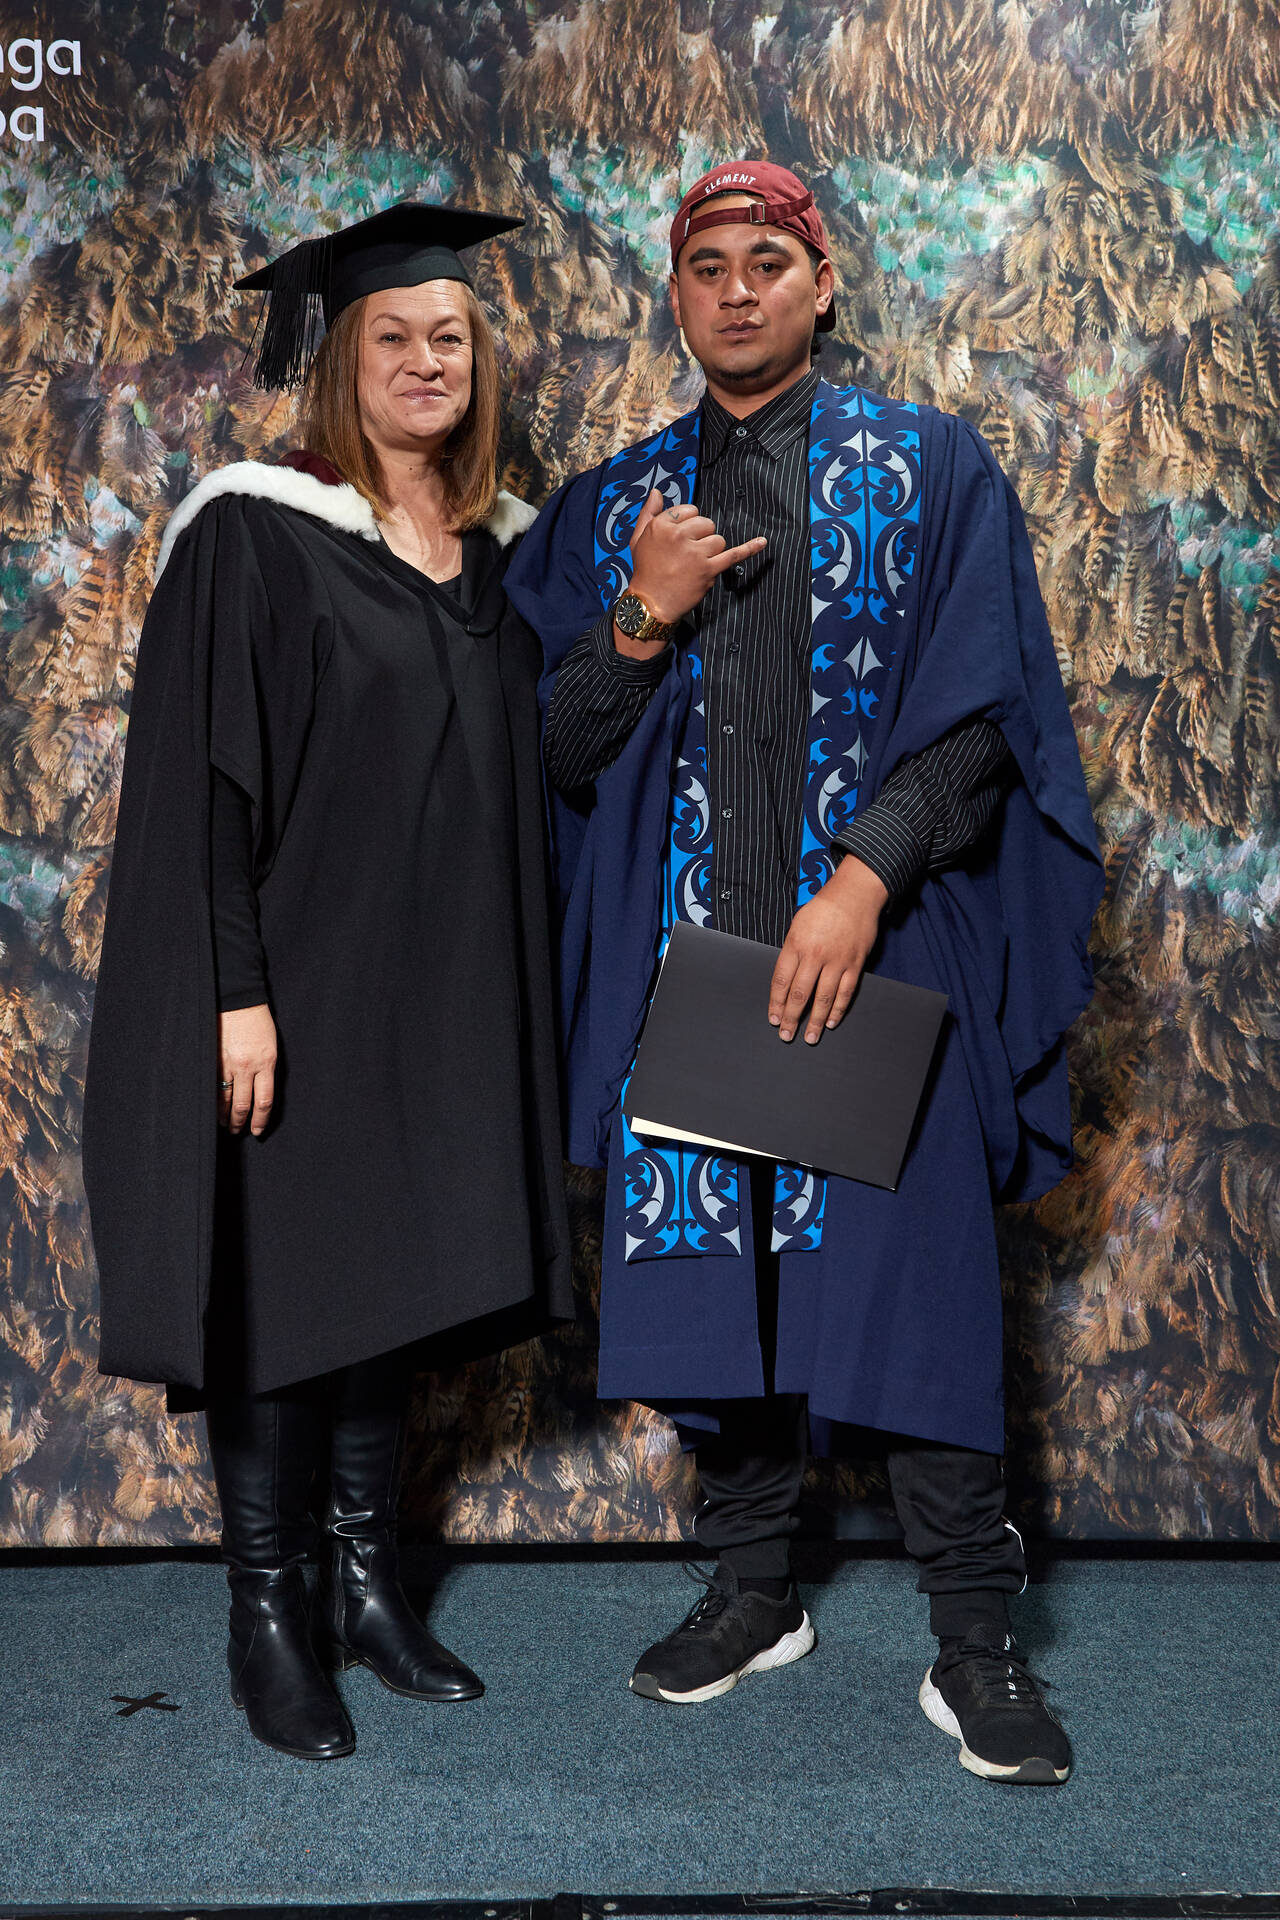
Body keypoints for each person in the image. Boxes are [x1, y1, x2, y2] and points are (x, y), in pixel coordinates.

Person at [507, 160, 1103, 1785]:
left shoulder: (928, 468)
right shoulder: (620, 507)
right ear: (675, 293)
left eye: (768, 260)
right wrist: (642, 619)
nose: (738, 289)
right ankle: (755, 1590)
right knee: (722, 1288)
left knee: (911, 1293)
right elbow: (554, 754)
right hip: (691, 959)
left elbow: (988, 718)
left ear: (822, 284)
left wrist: (863, 876)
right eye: (708, 264)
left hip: (879, 947)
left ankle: (974, 1638)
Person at [82, 201, 572, 1762]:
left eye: (451, 337)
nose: (427, 361)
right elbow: (203, 787)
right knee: (281, 1297)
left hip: (433, 994)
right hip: (295, 982)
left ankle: (369, 1585)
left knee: (386, 1283)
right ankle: (269, 1614)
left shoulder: (498, 556)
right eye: (394, 337)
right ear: (344, 361)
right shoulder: (255, 528)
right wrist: (236, 993)